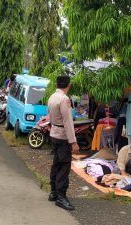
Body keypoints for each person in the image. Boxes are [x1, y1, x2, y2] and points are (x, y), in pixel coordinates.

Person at [47, 75, 79, 211]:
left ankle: (53, 191)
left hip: (54, 133)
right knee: (64, 166)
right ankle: (61, 196)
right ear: (69, 85)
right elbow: (68, 122)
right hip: (63, 136)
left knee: (57, 163)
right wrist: (73, 142)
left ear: (57, 84)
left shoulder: (52, 97)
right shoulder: (64, 99)